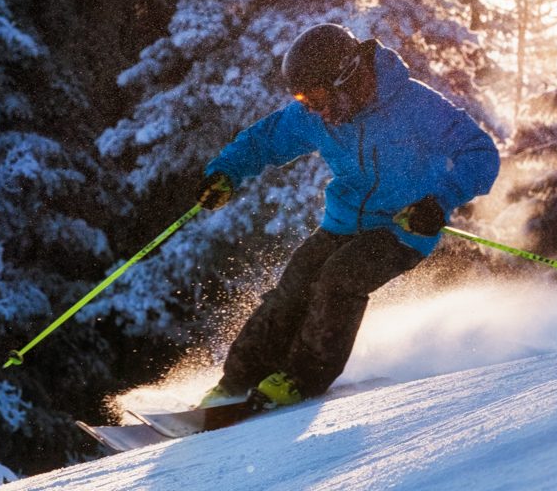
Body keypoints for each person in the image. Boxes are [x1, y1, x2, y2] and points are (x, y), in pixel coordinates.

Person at [195, 23, 500, 410]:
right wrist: (225, 172)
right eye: (305, 100)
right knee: (296, 283)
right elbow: (263, 141)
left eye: (318, 97)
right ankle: (236, 382)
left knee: (339, 278)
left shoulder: (414, 105)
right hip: (344, 222)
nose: (314, 109)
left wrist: (440, 202)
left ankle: (302, 379)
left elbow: (480, 151)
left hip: (402, 228)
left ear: (348, 77)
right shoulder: (316, 116)